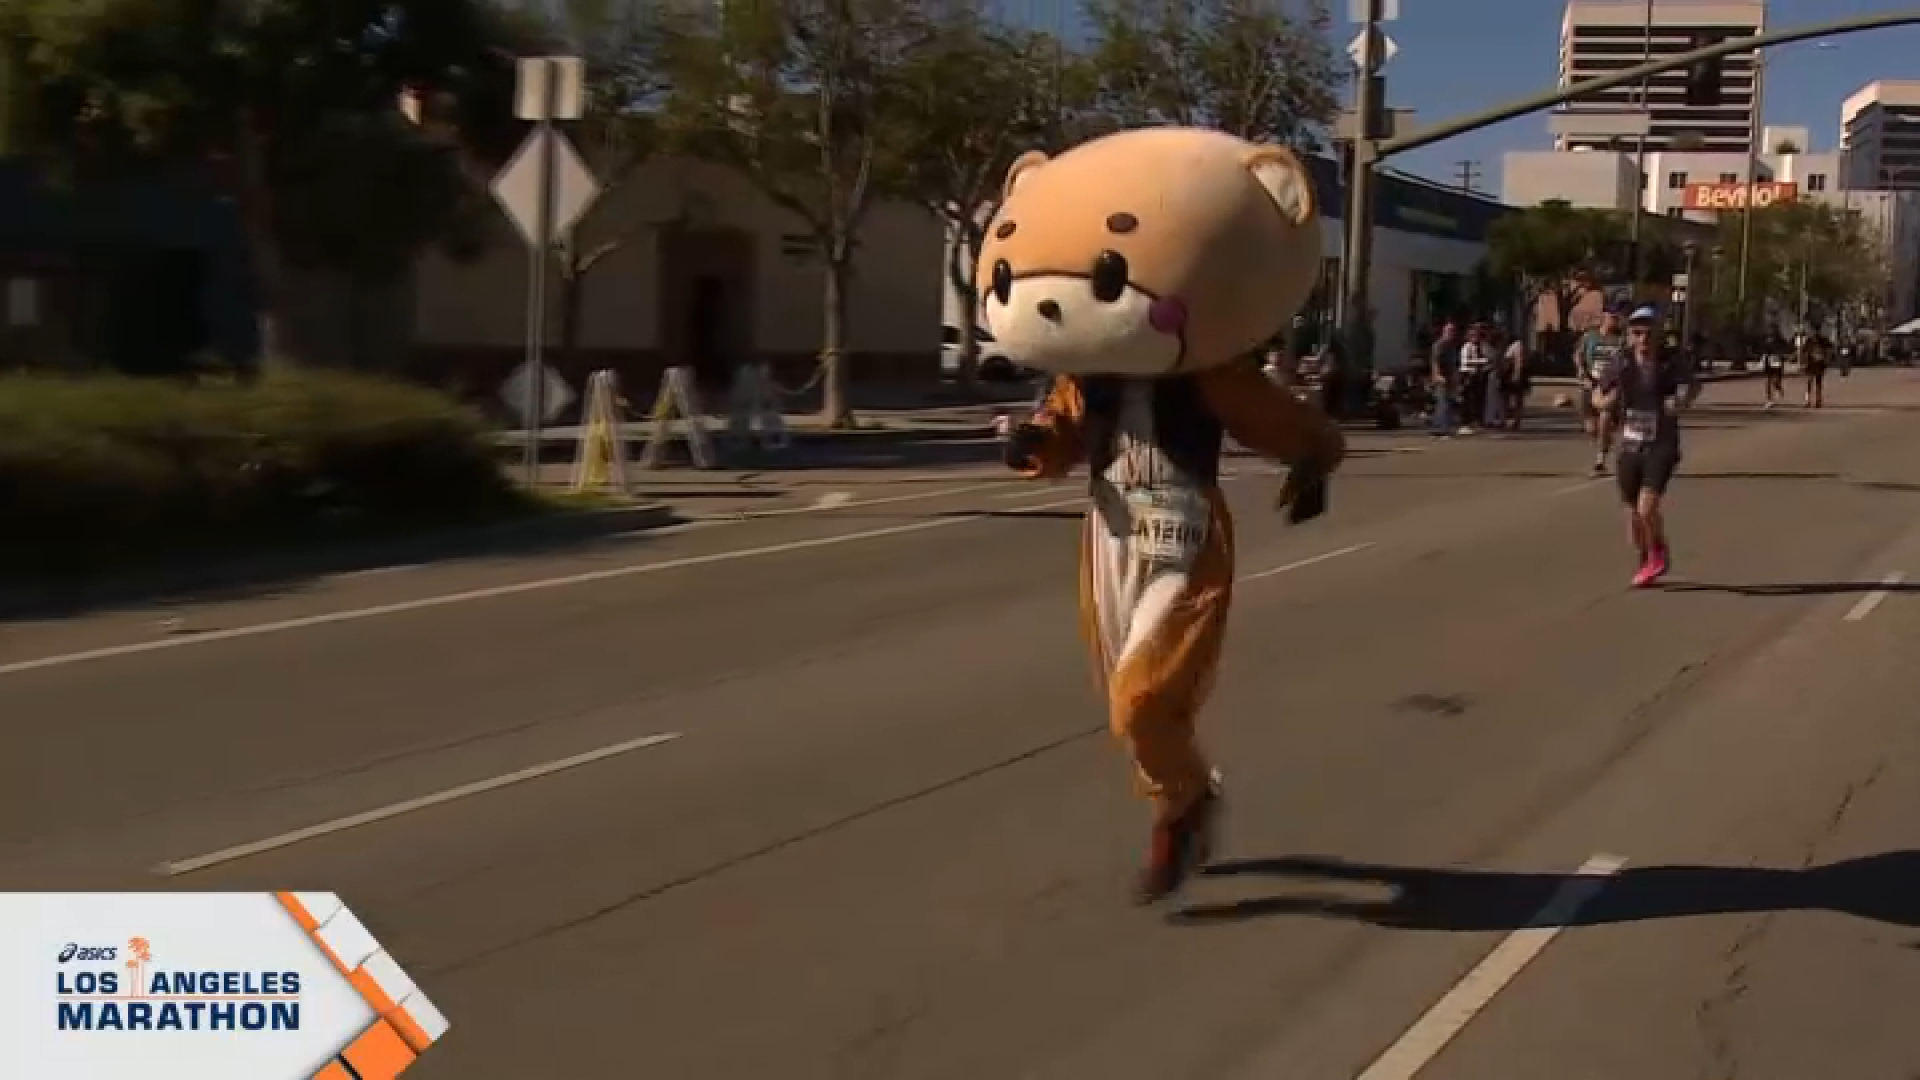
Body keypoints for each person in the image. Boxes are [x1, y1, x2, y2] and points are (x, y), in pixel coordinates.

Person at [984, 127, 1346, 904]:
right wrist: (1032, 443)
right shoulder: (1090, 381)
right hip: (1108, 541)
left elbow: (1283, 422)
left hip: (1183, 533)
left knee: (1141, 699)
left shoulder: (1210, 374)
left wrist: (1314, 460)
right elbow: (1059, 433)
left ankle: (1184, 802)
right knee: (1126, 697)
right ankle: (1175, 802)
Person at [1593, 306, 1697, 587]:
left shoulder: (1670, 363)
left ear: (1658, 335)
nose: (1643, 339)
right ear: (1629, 336)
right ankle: (1646, 558)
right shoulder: (1620, 363)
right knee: (1632, 516)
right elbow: (1598, 395)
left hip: (1661, 444)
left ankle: (1659, 550)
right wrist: (1604, 402)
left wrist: (1680, 402)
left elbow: (1688, 387)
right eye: (1637, 333)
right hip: (1629, 444)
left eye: (1649, 333)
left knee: (1646, 508)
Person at [1574, 308, 1629, 474]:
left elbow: (1626, 360)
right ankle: (1605, 440)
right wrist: (1581, 371)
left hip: (1611, 386)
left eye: (1616, 318)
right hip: (1591, 384)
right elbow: (1578, 355)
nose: (1614, 321)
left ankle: (1600, 460)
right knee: (1591, 428)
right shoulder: (1590, 337)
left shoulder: (1620, 340)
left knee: (1605, 417)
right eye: (1611, 317)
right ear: (1603, 318)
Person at [1457, 324, 1494, 434]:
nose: (1476, 338)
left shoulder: (1481, 347)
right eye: (1473, 335)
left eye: (1477, 335)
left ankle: (1477, 421)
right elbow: (1465, 361)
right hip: (1467, 374)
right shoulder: (1466, 347)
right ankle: (1465, 423)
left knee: (1479, 399)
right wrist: (1482, 361)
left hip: (1479, 375)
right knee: (1467, 399)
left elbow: (1490, 358)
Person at [1427, 321, 1461, 437]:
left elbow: (1454, 363)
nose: (1452, 333)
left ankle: (1442, 427)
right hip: (1441, 378)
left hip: (1450, 377)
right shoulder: (1439, 344)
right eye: (1449, 331)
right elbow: (1435, 361)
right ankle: (1440, 428)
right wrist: (1437, 375)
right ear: (1444, 331)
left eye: (1453, 331)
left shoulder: (1451, 346)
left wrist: (1455, 376)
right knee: (1443, 402)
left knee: (1448, 402)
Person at [1499, 329, 1530, 430]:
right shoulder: (1510, 346)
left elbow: (1519, 361)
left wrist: (1517, 374)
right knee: (1513, 400)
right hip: (1512, 375)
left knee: (1515, 400)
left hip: (1515, 375)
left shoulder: (1517, 345)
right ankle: (1513, 421)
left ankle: (1515, 421)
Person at [1804, 336, 1829, 408]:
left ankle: (1816, 400)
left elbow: (1828, 350)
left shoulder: (1822, 340)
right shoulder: (1810, 340)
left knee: (1814, 383)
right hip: (1812, 364)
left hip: (1816, 364)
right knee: (1812, 383)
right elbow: (1805, 352)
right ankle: (1810, 401)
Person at [1761, 343, 1786, 407]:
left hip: (1777, 365)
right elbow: (1765, 355)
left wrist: (1782, 366)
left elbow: (1781, 357)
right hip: (1769, 366)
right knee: (1768, 383)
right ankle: (1769, 400)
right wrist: (1764, 364)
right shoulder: (1767, 346)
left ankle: (1779, 389)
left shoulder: (1779, 345)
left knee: (1775, 383)